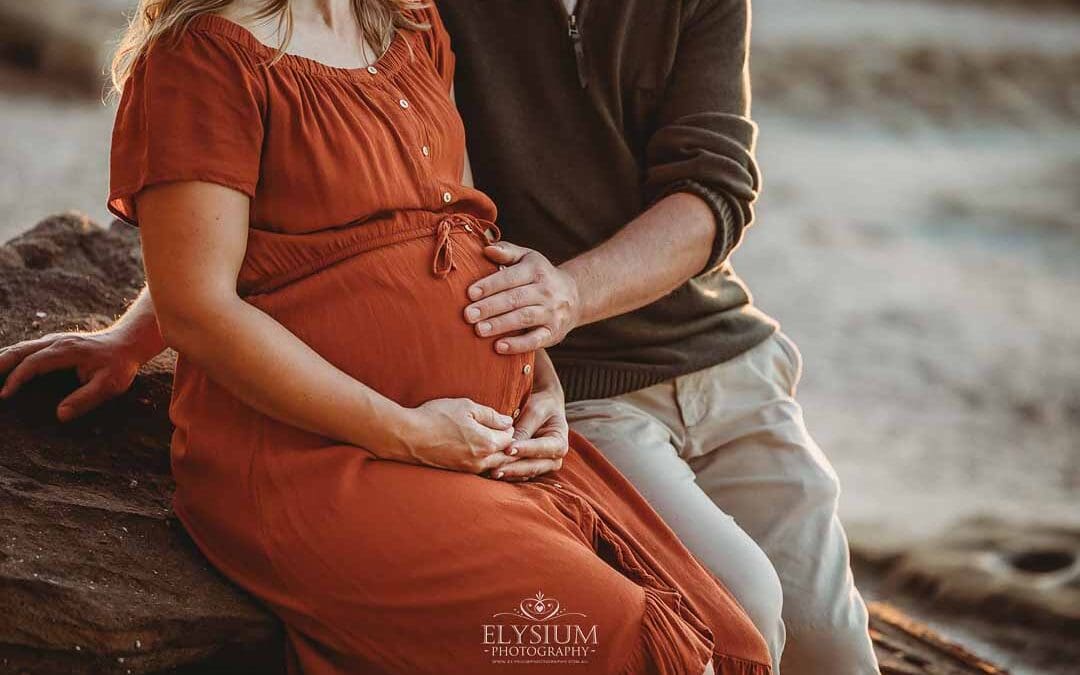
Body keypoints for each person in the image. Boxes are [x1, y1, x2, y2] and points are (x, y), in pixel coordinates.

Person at [0, 2, 880, 674]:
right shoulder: (206, 56)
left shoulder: (406, 20)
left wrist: (535, 368)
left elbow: (466, 222)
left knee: (744, 630)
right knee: (622, 641)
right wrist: (135, 332)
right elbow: (210, 287)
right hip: (343, 452)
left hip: (533, 415)